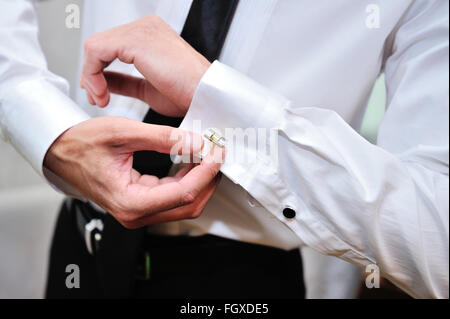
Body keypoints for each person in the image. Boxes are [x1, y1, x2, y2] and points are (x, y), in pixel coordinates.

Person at [1, 0, 448, 299]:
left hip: (251, 284)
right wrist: (51, 133)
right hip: (82, 248)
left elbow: (438, 238)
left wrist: (219, 101)